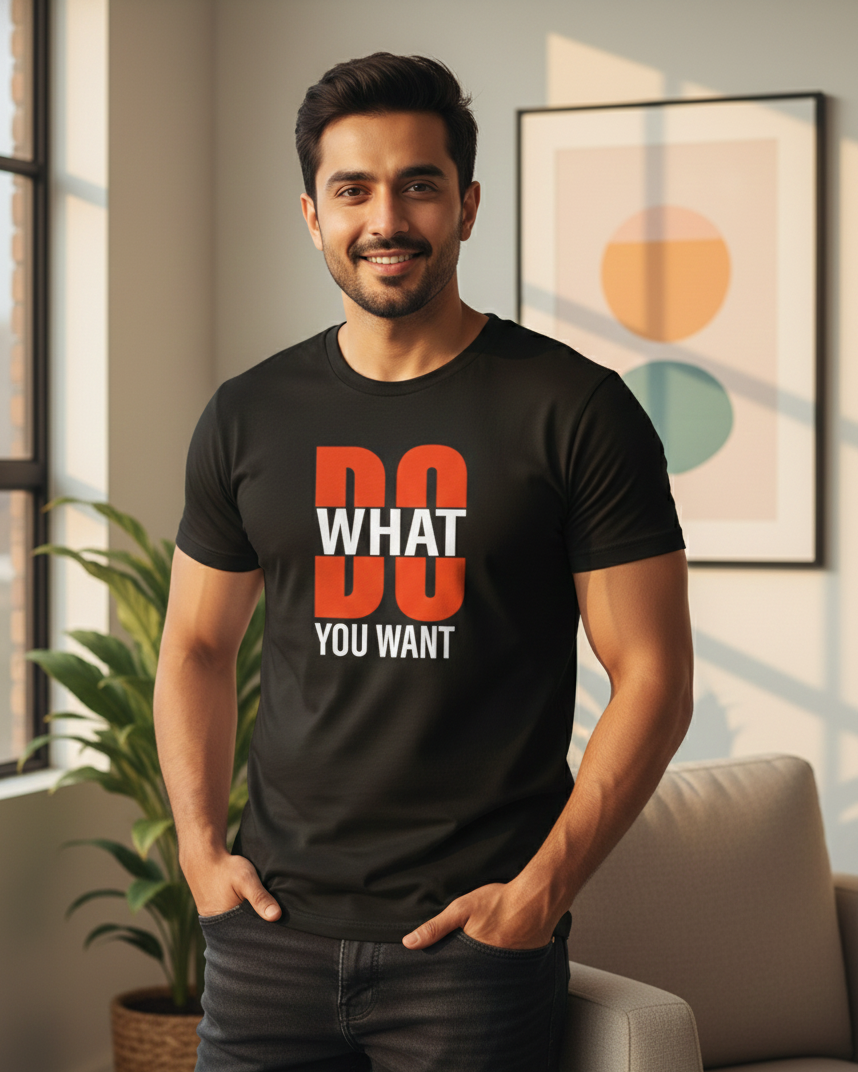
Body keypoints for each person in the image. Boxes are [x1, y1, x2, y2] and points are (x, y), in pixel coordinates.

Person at [153, 52, 693, 1072]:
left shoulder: (575, 410)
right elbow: (193, 643)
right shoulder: (246, 415)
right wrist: (197, 847)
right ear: (312, 214)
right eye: (352, 189)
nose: (385, 218)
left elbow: (655, 676)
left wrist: (540, 892)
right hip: (266, 940)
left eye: (419, 185)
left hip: (471, 950)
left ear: (468, 205)